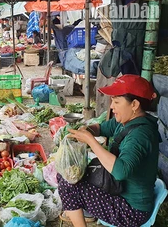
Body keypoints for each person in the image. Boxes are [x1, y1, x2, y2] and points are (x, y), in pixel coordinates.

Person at [57, 74, 159, 227]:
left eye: (117, 101)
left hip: (131, 211)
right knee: (68, 173)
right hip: (119, 190)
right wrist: (88, 130)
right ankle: (78, 209)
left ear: (134, 105)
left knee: (68, 184)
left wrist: (90, 141)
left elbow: (121, 171)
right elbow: (103, 128)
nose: (112, 106)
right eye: (112, 100)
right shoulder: (127, 121)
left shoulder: (140, 135)